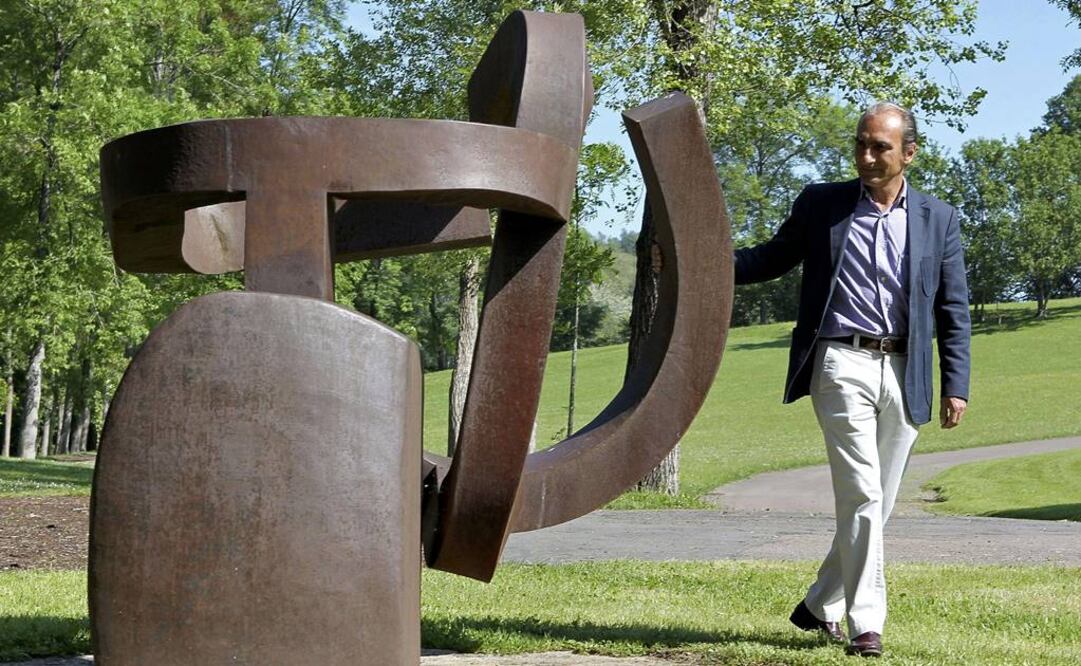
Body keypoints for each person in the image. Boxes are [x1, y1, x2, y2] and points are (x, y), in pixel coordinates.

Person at [734, 102, 971, 657]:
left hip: (905, 369)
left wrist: (955, 383)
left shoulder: (940, 218)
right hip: (840, 361)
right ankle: (867, 622)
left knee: (880, 502)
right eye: (860, 144)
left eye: (879, 147)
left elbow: (952, 308)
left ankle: (819, 605)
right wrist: (706, 260)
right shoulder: (823, 204)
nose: (866, 156)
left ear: (909, 153)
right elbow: (772, 257)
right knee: (862, 492)